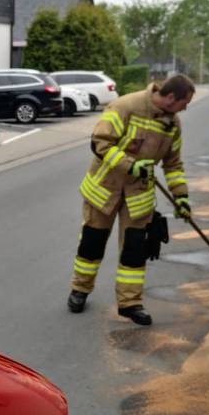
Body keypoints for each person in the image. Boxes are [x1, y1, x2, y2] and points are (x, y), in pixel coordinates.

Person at [67, 74, 194, 326]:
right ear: (170, 97)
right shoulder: (126, 106)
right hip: (104, 189)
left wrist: (181, 197)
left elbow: (173, 164)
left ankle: (130, 304)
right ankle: (79, 290)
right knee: (92, 244)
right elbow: (100, 143)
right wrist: (131, 166)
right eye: (184, 102)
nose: (186, 107)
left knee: (135, 250)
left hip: (138, 196)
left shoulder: (173, 124)